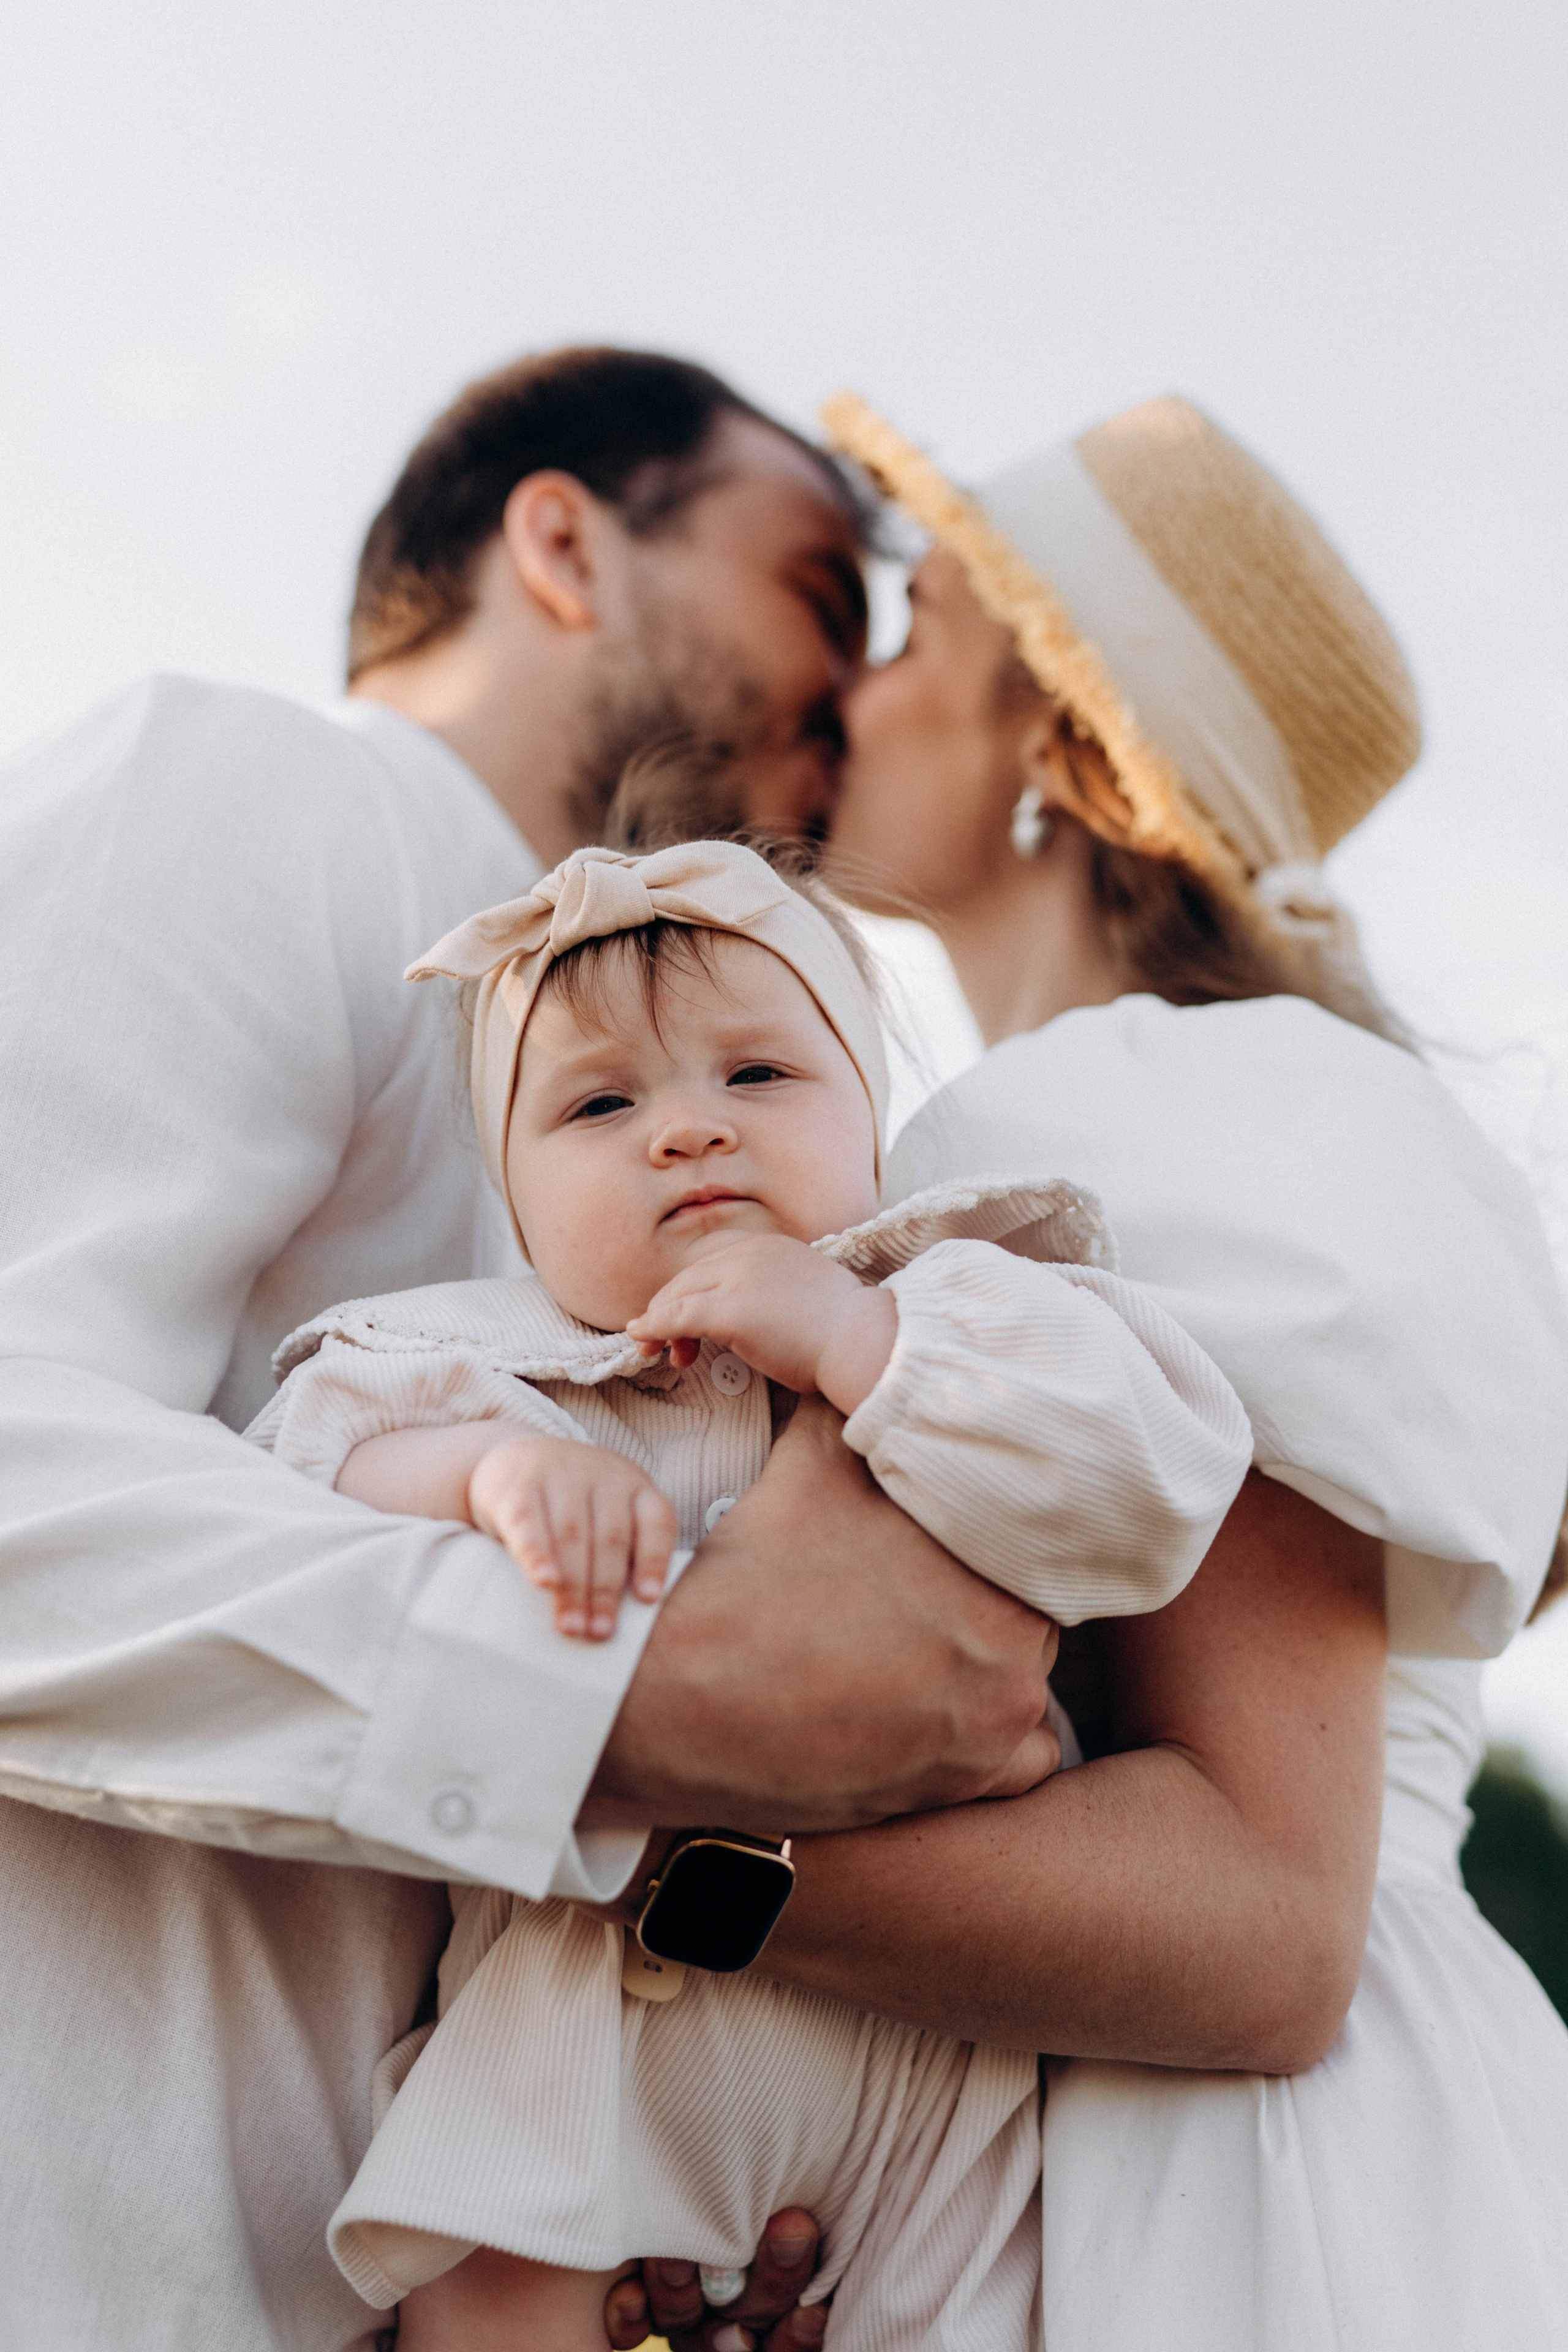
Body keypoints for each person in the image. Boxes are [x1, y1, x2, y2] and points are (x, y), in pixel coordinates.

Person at [0, 349, 1062, 2352]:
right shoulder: (261, 795)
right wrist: (633, 1695)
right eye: (820, 597)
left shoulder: (714, 1139)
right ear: (565, 545)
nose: (859, 695)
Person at [606, 393, 1568, 2352]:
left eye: (916, 627)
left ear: (1051, 741)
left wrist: (604, 1855)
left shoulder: (1148, 1108)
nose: (849, 688)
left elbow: (1266, 1924)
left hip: (1250, 2192)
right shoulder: (1107, 1109)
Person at [243, 834, 1249, 2350]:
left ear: (869, 1110)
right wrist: (473, 1479)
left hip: (931, 2087)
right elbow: (285, 1510)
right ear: (510, 1201)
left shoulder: (965, 1299)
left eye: (757, 1077)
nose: (686, 1134)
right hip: (573, 2059)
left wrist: (856, 1343)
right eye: (600, 1103)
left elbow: (1148, 1494)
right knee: (490, 2297)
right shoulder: (480, 1364)